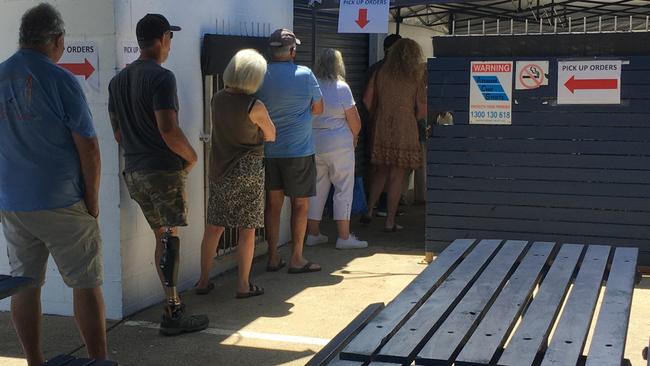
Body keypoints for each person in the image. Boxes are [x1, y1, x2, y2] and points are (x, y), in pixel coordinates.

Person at [0, 4, 107, 364]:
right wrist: (92, 200)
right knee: (85, 282)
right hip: (62, 201)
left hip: (13, 204)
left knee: (24, 283)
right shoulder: (61, 80)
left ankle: (34, 361)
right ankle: (97, 360)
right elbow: (89, 148)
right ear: (58, 40)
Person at [108, 13, 208, 335]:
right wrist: (192, 156)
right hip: (161, 171)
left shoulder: (117, 81)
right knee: (170, 239)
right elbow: (168, 129)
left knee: (162, 237)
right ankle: (173, 313)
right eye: (170, 39)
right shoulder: (162, 78)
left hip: (134, 171)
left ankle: (171, 303)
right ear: (163, 39)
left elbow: (119, 135)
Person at [195, 49, 276, 297]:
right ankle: (243, 284)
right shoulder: (256, 105)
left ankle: (203, 280)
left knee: (214, 228)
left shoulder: (217, 98)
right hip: (248, 171)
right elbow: (272, 135)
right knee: (247, 229)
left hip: (219, 169)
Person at [256, 29, 324, 274]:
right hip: (299, 150)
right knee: (300, 205)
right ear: (293, 51)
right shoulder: (305, 75)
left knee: (273, 206)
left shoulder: (259, 75)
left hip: (269, 150)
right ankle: (296, 257)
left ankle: (273, 256)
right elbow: (318, 108)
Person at [361, 39, 427, 231]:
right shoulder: (416, 76)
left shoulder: (380, 72)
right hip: (405, 127)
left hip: (382, 125)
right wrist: (411, 117)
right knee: (397, 176)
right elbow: (422, 108)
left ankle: (369, 212)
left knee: (380, 171)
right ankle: (390, 221)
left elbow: (366, 100)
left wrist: (378, 114)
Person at [305, 48, 368, 250]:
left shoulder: (311, 86)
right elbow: (355, 122)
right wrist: (355, 137)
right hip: (340, 145)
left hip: (315, 143)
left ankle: (313, 234)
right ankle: (344, 237)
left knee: (317, 189)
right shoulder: (342, 87)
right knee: (343, 189)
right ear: (338, 65)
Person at [359, 34, 405, 219]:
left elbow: (366, 99)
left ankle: (372, 206)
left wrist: (375, 115)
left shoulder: (374, 69)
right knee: (395, 170)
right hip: (398, 127)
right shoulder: (403, 73)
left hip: (375, 124)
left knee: (377, 167)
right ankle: (387, 207)